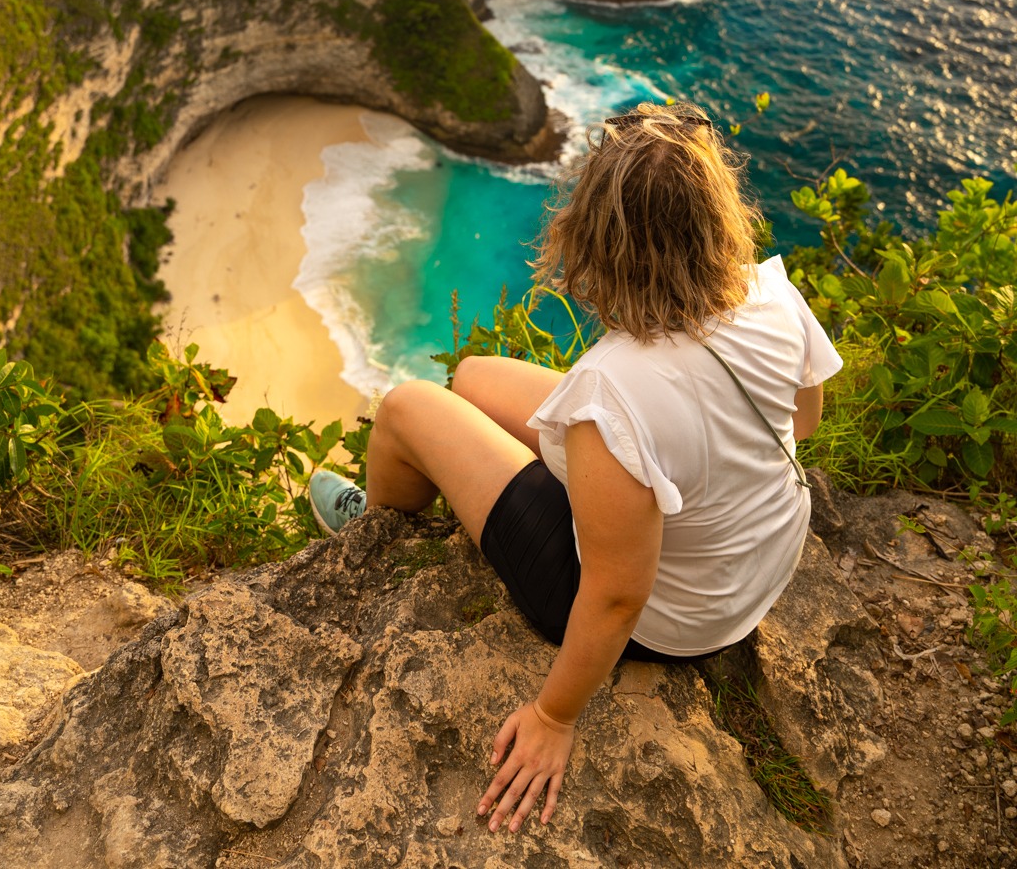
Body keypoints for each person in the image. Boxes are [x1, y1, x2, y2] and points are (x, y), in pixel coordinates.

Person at [308, 102, 842, 836]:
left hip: (668, 621)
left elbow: (618, 597)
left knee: (406, 405)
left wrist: (553, 715)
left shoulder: (611, 388)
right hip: (754, 570)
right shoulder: (772, 293)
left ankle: (375, 528)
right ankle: (578, 485)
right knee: (472, 378)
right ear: (719, 217)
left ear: (599, 238)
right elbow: (802, 421)